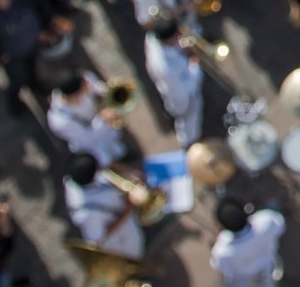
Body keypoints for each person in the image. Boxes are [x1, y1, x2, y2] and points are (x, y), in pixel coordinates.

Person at [210, 198, 285, 287]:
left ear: (221, 226)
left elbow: (218, 266)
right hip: (265, 265)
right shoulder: (265, 220)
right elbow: (280, 226)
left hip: (240, 277)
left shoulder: (222, 249)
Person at [64, 153, 143, 262]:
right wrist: (128, 208)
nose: (101, 168)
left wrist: (129, 174)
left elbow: (106, 172)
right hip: (120, 241)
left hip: (124, 218)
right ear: (93, 176)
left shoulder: (73, 178)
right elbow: (98, 238)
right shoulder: (87, 213)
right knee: (134, 258)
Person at [47, 71, 129, 168]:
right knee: (105, 159)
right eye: (85, 86)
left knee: (118, 144)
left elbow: (97, 87)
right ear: (75, 95)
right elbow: (88, 139)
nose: (88, 83)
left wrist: (107, 92)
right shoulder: (59, 121)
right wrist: (102, 118)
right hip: (91, 144)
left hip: (104, 127)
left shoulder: (83, 79)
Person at [144, 17, 205, 147]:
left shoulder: (151, 38)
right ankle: (188, 141)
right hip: (180, 97)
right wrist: (194, 65)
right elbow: (183, 90)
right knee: (187, 115)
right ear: (168, 40)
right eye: (177, 35)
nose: (180, 36)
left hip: (168, 83)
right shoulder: (168, 68)